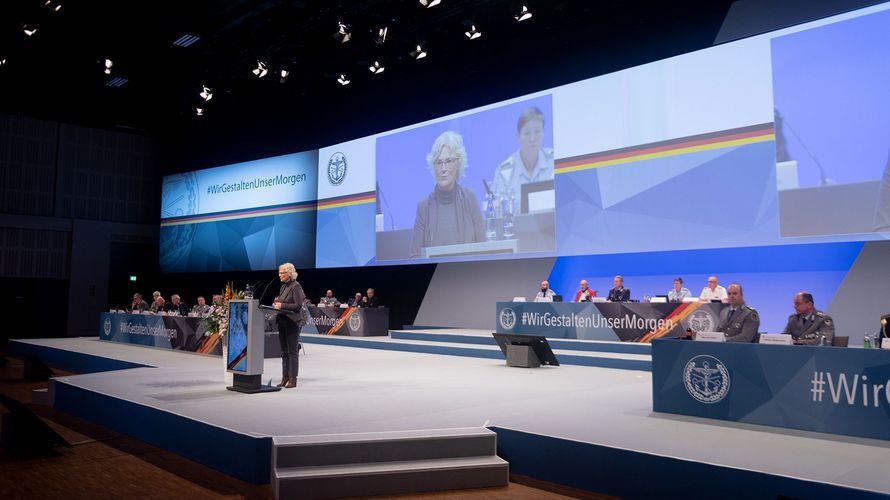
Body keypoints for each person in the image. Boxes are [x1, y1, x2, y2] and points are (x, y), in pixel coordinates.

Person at [410, 131, 485, 258]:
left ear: (458, 164)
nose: (443, 168)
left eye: (449, 161)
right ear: (434, 167)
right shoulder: (423, 207)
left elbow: (483, 249)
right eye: (439, 162)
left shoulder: (470, 199)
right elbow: (414, 256)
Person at [492, 107, 554, 208]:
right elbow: (498, 213)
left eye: (537, 131)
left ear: (543, 133)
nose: (532, 138)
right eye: (527, 133)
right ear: (518, 136)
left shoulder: (555, 162)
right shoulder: (504, 173)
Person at [273, 262, 306, 389]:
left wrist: (282, 305)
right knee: (284, 352)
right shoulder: (283, 287)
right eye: (279, 273)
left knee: (292, 352)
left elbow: (298, 305)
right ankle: (284, 377)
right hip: (282, 321)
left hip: (292, 322)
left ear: (289, 274)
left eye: (282, 273)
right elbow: (282, 303)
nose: (279, 275)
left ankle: (293, 379)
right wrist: (277, 304)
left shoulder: (296, 286)